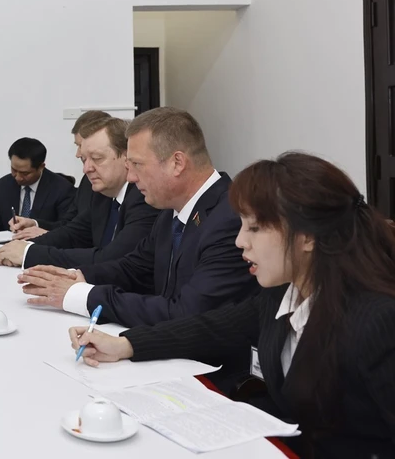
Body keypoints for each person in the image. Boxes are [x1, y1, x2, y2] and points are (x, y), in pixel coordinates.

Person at [69, 153, 395, 459]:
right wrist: (126, 344)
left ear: (307, 237)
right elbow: (213, 326)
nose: (240, 241)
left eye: (254, 228)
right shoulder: (284, 295)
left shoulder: (376, 322)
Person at [17, 107, 258, 327]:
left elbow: (187, 312)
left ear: (177, 163)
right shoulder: (170, 211)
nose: (130, 177)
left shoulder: (230, 218)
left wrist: (81, 295)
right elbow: (135, 267)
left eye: (137, 164)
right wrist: (78, 277)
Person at [0, 117, 160, 269]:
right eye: (84, 160)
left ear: (126, 157)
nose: (86, 169)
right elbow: (73, 233)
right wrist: (25, 245)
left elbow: (112, 258)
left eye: (96, 158)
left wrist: (28, 254)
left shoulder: (144, 198)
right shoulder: (102, 194)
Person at [11, 110, 112, 236]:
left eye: (81, 146)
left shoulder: (127, 190)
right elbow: (69, 224)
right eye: (78, 146)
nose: (78, 154)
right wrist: (35, 224)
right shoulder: (87, 181)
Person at [0, 137, 76, 232]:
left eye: (25, 173)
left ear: (41, 167)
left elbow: (66, 228)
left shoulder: (62, 189)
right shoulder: (3, 185)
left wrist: (35, 224)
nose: (18, 177)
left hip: (42, 246)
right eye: (14, 170)